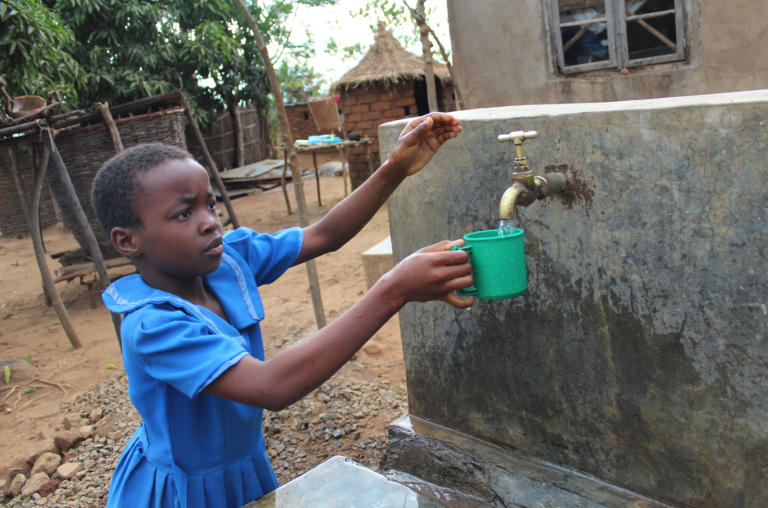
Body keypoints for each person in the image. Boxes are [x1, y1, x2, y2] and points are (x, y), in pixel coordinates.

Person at [91, 113, 473, 508]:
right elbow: (270, 387)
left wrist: (394, 169)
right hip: (182, 491)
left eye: (211, 205)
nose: (210, 224)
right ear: (128, 241)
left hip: (244, 468)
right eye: (184, 213)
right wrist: (394, 289)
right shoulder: (153, 325)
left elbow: (324, 235)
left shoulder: (227, 263)